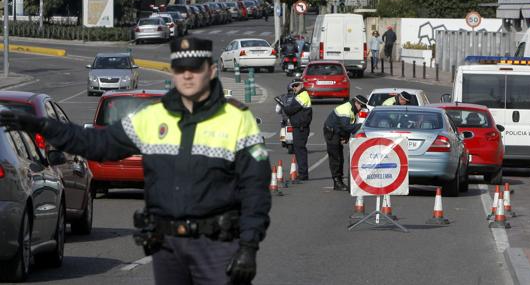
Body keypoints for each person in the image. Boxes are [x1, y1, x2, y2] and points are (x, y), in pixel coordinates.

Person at [0, 37, 271, 285]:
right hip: (168, 247)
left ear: (211, 71)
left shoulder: (236, 120)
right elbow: (96, 144)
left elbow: (255, 188)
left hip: (217, 246)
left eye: (195, 68)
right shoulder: (153, 118)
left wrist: (249, 246)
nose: (187, 75)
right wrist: (39, 125)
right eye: (180, 69)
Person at [322, 95, 368, 191]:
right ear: (357, 103)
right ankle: (337, 182)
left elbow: (347, 126)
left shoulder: (351, 109)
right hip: (332, 133)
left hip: (337, 132)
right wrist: (361, 126)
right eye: (361, 107)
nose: (361, 110)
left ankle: (339, 181)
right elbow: (347, 127)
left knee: (340, 157)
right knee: (336, 158)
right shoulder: (346, 110)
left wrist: (345, 137)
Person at [281, 79, 312, 180]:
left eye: (296, 85)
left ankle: (303, 174)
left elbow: (290, 109)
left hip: (301, 128)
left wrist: (283, 106)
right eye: (293, 86)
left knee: (300, 151)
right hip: (299, 127)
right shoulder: (300, 95)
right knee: (299, 150)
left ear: (302, 85)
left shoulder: (302, 95)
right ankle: (303, 173)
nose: (294, 88)